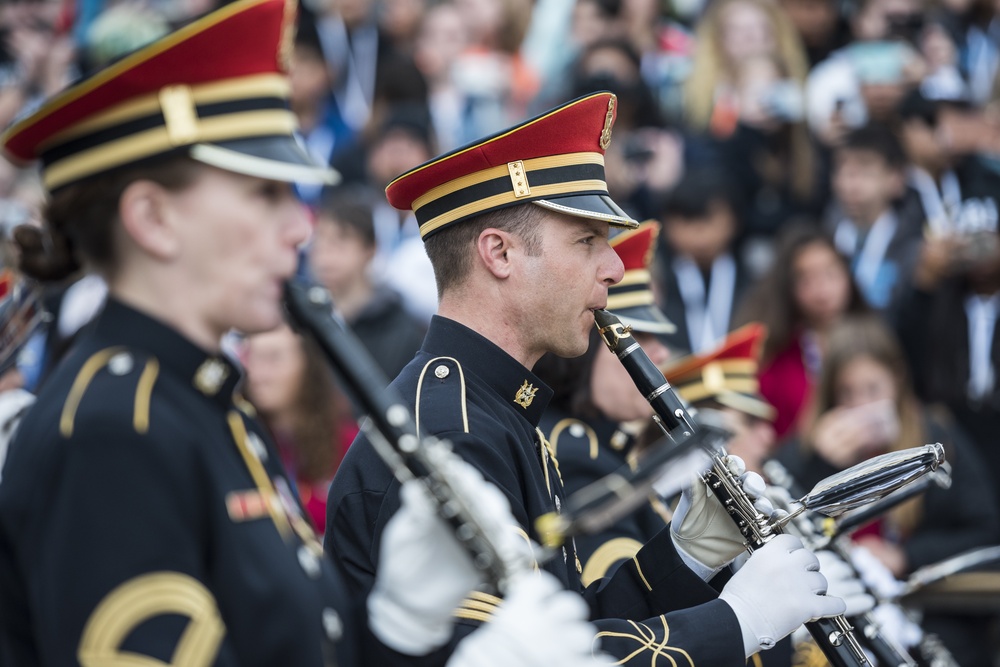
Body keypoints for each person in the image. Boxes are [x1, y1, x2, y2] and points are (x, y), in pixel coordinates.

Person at [0, 2, 604, 665]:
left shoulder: (201, 405)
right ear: (152, 217)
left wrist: (395, 631)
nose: (299, 227)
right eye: (264, 195)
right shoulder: (115, 430)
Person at [326, 91, 847, 665]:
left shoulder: (494, 407)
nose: (615, 267)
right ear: (498, 253)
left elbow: (570, 624)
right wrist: (737, 621)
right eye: (587, 241)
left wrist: (685, 556)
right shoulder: (453, 430)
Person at [775, 314, 1000, 666]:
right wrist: (819, 464)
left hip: (932, 616)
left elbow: (985, 530)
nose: (861, 407)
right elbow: (782, 524)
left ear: (896, 380)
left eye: (872, 390)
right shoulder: (810, 448)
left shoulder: (938, 439)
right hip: (843, 616)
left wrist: (905, 557)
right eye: (847, 394)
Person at [734, 224, 871, 441]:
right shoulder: (773, 355)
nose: (822, 290)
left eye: (830, 273)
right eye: (806, 279)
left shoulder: (872, 339)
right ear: (789, 288)